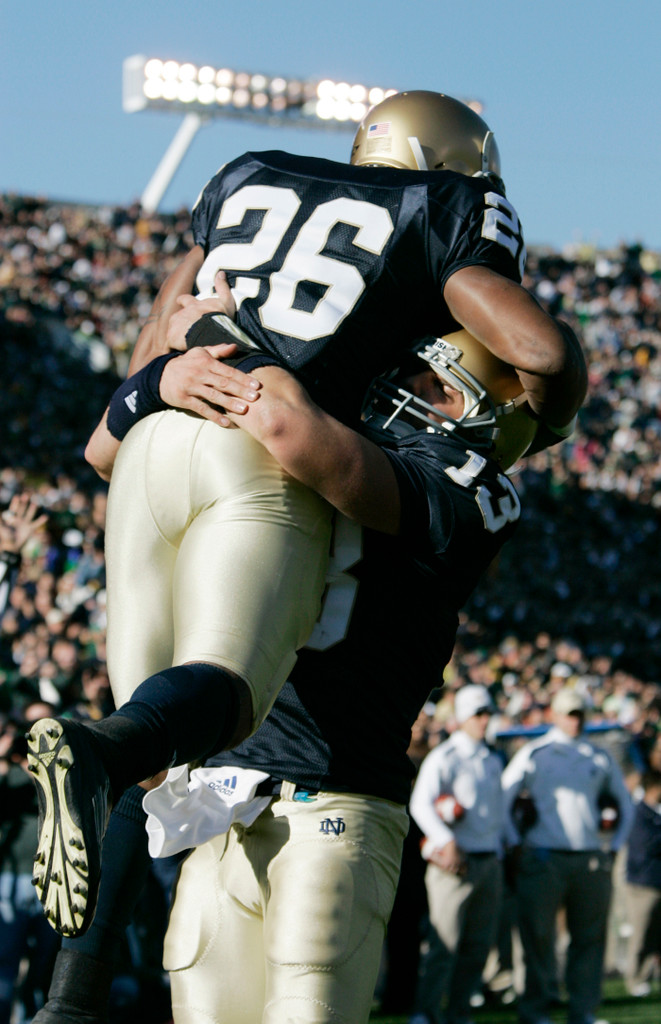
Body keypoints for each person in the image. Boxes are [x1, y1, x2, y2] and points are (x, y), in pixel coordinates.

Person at [26, 90, 586, 942]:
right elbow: (539, 355)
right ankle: (99, 763)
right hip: (255, 449)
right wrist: (555, 404)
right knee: (214, 694)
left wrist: (169, 374)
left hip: (153, 425)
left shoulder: (248, 174)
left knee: (146, 750)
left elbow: (120, 410)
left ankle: (72, 991)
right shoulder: (446, 208)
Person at [501, 686, 635, 1024]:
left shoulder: (598, 756)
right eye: (570, 714)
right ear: (555, 715)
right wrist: (514, 841)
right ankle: (535, 1010)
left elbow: (625, 803)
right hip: (543, 855)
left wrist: (614, 845)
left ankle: (583, 1010)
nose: (576, 720)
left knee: (589, 939)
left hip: (589, 856)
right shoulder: (534, 753)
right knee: (537, 937)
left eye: (580, 714)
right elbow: (504, 796)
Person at [407, 683, 504, 1024]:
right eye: (478, 714)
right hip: (454, 864)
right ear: (462, 717)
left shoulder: (492, 759)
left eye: (487, 713)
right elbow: (420, 804)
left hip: (488, 860)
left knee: (478, 946)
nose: (484, 719)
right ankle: (426, 1011)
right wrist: (445, 840)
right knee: (444, 944)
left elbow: (498, 814)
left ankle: (459, 1011)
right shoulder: (444, 756)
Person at [624, 767, 661, 997]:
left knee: (655, 935)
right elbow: (644, 845)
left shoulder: (655, 814)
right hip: (643, 884)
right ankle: (635, 977)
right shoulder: (638, 813)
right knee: (641, 934)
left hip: (656, 882)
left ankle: (646, 976)